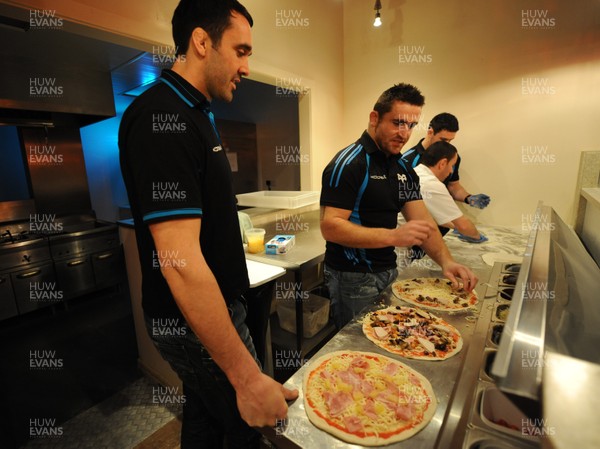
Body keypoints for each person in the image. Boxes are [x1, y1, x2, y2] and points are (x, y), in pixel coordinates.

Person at [118, 1, 297, 447]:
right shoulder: (163, 119)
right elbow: (178, 260)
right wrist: (248, 378)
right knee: (250, 427)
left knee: (204, 416)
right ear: (201, 42)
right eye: (240, 51)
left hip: (214, 307)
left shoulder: (197, 113)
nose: (247, 66)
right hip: (189, 322)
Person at [320, 84, 479, 329]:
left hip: (388, 269)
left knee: (388, 337)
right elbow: (331, 227)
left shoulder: (401, 168)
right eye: (397, 123)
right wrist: (394, 236)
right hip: (352, 276)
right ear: (375, 118)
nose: (404, 133)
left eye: (411, 125)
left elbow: (423, 221)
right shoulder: (349, 164)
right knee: (360, 347)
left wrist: (447, 262)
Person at [401, 112, 491, 210]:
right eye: (443, 140)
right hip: (416, 217)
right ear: (430, 132)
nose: (447, 144)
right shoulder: (407, 159)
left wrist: (469, 198)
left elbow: (453, 186)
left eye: (450, 140)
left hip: (443, 216)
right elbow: (401, 195)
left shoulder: (452, 156)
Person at [414, 141, 487, 243]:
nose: (451, 171)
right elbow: (463, 225)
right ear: (442, 163)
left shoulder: (415, 173)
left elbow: (435, 215)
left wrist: (469, 198)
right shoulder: (432, 184)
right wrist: (478, 238)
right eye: (452, 166)